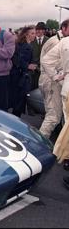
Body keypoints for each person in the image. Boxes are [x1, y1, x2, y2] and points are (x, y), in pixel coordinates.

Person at [42, 22, 69, 170]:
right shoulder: (55, 41)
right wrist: (55, 76)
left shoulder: (63, 41)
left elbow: (47, 61)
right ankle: (39, 144)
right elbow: (45, 62)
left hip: (64, 85)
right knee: (53, 116)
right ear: (63, 28)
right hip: (52, 82)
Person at [9, 26, 37, 117]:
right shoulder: (26, 46)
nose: (34, 35)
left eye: (35, 33)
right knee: (18, 104)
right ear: (26, 34)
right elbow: (17, 60)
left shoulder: (22, 45)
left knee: (16, 103)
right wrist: (28, 66)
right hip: (21, 78)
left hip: (18, 76)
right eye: (32, 33)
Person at [30, 22, 49, 90]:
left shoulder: (49, 40)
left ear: (44, 30)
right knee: (33, 89)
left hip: (44, 70)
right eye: (37, 29)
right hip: (33, 70)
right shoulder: (31, 40)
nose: (38, 31)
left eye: (40, 29)